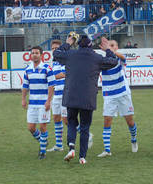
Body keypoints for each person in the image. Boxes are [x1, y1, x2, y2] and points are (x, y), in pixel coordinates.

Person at [53, 36, 118, 164]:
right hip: (88, 97)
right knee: (84, 127)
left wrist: (67, 43)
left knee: (71, 123)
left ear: (78, 45)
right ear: (90, 45)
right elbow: (113, 61)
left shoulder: (70, 54)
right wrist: (107, 50)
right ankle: (82, 157)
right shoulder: (97, 57)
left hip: (71, 95)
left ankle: (71, 147)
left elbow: (56, 54)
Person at [98, 40, 138, 158]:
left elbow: (123, 57)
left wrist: (109, 50)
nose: (110, 47)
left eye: (112, 45)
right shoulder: (103, 61)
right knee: (107, 121)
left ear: (117, 47)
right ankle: (107, 149)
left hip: (123, 94)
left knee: (130, 121)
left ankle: (134, 139)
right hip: (109, 95)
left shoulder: (119, 59)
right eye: (109, 45)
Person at [22, 46, 55, 160]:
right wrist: (23, 99)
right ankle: (43, 140)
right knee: (31, 128)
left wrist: (48, 101)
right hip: (32, 103)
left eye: (36, 53)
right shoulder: (28, 69)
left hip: (43, 103)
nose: (34, 55)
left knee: (42, 126)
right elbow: (25, 86)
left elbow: (51, 85)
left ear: (41, 55)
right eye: (32, 53)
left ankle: (42, 152)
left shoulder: (47, 68)